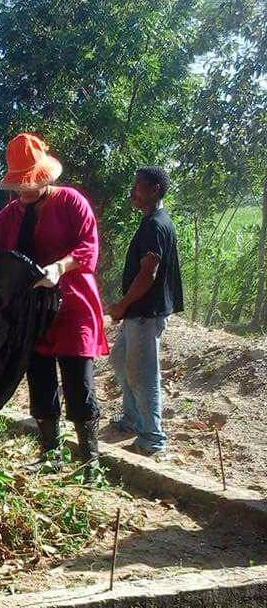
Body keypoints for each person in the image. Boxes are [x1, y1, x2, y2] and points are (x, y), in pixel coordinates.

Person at [0, 133, 108, 480]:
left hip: (72, 304)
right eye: (19, 185)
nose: (25, 191)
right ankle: (51, 454)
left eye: (30, 183)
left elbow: (88, 246)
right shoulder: (9, 216)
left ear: (46, 176)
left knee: (79, 384)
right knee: (41, 380)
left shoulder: (71, 202)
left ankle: (89, 462)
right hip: (32, 312)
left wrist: (59, 267)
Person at [106, 167, 183, 456]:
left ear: (155, 190)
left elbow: (148, 273)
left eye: (138, 186)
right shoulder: (153, 221)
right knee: (120, 360)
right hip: (137, 313)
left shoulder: (154, 226)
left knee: (143, 375)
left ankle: (152, 439)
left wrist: (122, 306)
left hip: (144, 314)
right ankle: (132, 419)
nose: (132, 191)